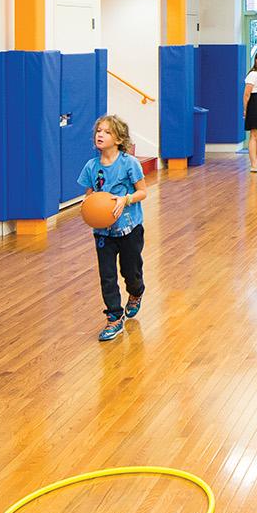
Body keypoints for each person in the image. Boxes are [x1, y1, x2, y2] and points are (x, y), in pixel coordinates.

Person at [80, 115, 150, 342]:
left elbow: (143, 192)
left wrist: (125, 199)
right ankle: (113, 318)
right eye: (98, 131)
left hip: (129, 229)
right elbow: (90, 193)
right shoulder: (91, 166)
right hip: (102, 232)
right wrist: (87, 203)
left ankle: (136, 291)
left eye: (107, 132)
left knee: (130, 272)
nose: (100, 134)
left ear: (119, 138)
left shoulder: (129, 163)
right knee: (107, 275)